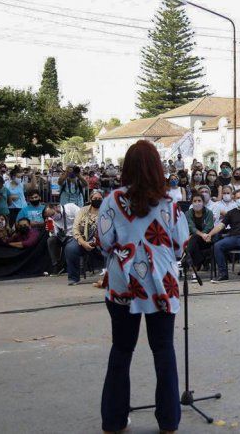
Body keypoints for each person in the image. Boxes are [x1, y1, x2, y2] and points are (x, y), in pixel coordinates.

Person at [96, 140, 188, 434]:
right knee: (164, 351)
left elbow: (103, 243)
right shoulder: (170, 203)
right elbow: (179, 247)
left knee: (121, 351)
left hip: (123, 284)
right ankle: (169, 422)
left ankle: (113, 421)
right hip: (162, 285)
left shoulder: (111, 200)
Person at [65, 190, 104, 286]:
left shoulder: (107, 210)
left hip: (101, 241)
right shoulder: (83, 210)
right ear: (90, 199)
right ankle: (74, 278)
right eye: (95, 199)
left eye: (99, 199)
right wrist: (83, 243)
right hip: (84, 239)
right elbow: (75, 228)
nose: (97, 200)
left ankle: (110, 277)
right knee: (70, 248)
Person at [44, 202, 80, 275]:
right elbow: (55, 234)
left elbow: (82, 219)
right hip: (64, 237)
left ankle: (71, 267)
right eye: (50, 216)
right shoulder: (52, 219)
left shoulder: (71, 208)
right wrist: (52, 231)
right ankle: (56, 266)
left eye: (52, 214)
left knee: (70, 242)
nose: (52, 217)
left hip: (76, 234)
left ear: (56, 207)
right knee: (51, 240)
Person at [184, 193, 214, 275]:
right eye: (195, 201)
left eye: (199, 201)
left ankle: (187, 261)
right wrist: (201, 235)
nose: (197, 203)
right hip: (194, 239)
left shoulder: (209, 213)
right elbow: (191, 227)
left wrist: (203, 235)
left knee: (193, 238)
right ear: (192, 203)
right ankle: (199, 260)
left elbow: (209, 227)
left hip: (207, 239)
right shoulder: (188, 213)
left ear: (203, 202)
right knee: (194, 239)